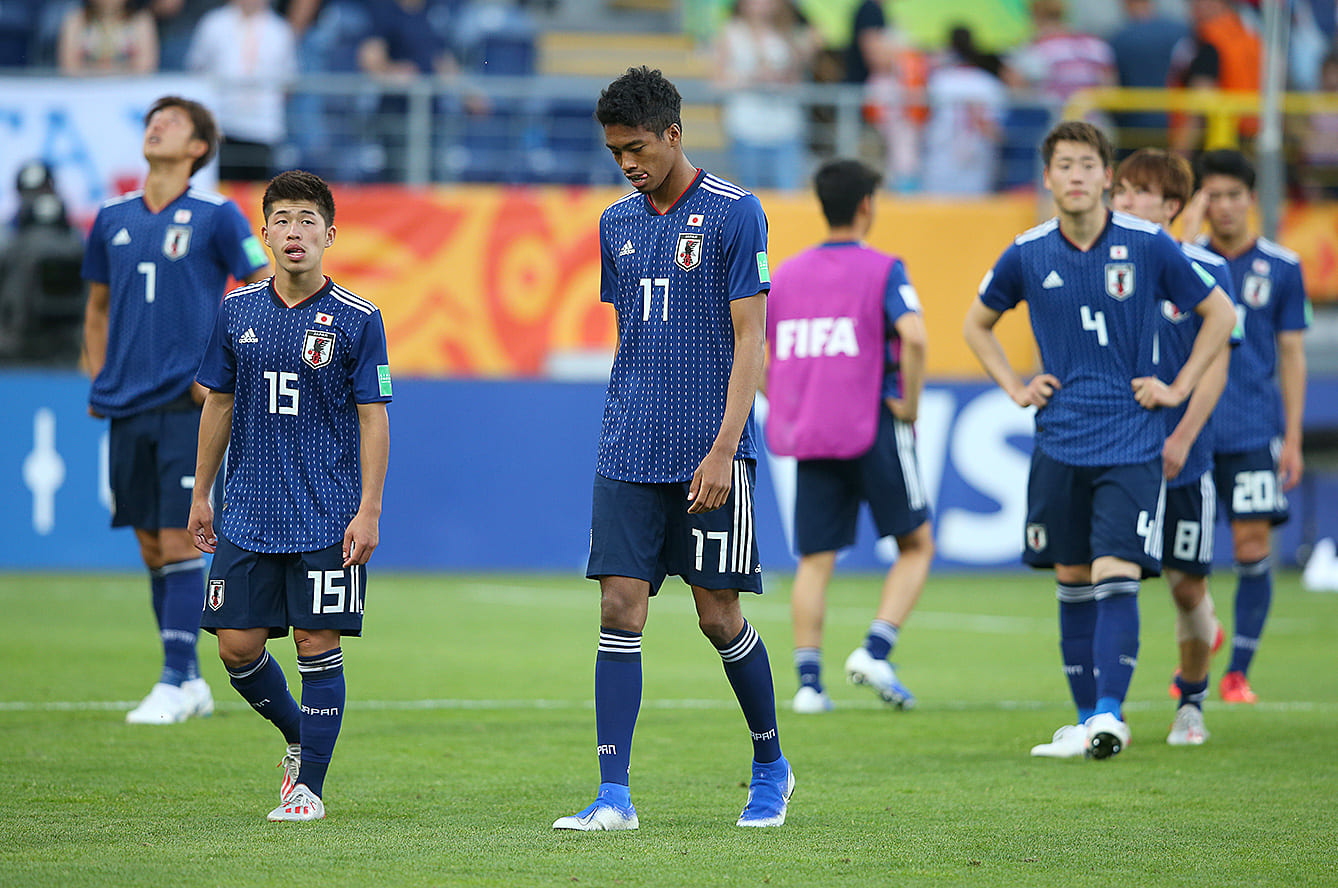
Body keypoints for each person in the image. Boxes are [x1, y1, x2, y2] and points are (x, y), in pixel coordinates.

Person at [553, 66, 792, 831]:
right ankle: (613, 796)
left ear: (673, 134)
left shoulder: (734, 212)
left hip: (709, 454)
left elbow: (751, 337)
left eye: (637, 147)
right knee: (619, 607)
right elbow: (634, 336)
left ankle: (770, 765)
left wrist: (725, 449)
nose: (627, 162)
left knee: (717, 616)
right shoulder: (615, 225)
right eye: (615, 150)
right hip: (627, 448)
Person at [962, 120, 1235, 760]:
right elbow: (977, 325)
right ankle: (1087, 721)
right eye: (1065, 166)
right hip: (1058, 439)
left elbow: (1220, 313)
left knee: (1118, 573)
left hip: (1133, 441)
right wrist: (1014, 385)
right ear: (1049, 177)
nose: (1077, 176)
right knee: (1072, 577)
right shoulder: (1027, 251)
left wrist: (1176, 387)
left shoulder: (1148, 244)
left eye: (1088, 165)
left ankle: (1111, 715)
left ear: (1106, 177)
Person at [188, 169, 392, 822]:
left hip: (327, 517)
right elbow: (217, 403)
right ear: (265, 234)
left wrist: (368, 509)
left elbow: (373, 417)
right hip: (247, 512)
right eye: (282, 219)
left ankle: (311, 788)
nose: (294, 231)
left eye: (308, 220)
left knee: (316, 643)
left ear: (331, 235)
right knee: (236, 648)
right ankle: (303, 738)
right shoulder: (236, 311)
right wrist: (201, 495)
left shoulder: (359, 320)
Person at [81, 95, 271, 726]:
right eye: (151, 120)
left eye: (172, 121)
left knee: (177, 535)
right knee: (148, 544)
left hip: (187, 403)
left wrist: (228, 370)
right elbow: (99, 307)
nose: (155, 126)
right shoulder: (110, 217)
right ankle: (188, 679)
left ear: (197, 147)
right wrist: (98, 375)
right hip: (126, 404)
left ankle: (172, 677)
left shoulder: (218, 214)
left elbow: (258, 286)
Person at [764, 157, 932, 715]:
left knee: (815, 559)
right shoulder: (884, 269)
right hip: (874, 423)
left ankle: (809, 685)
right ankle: (876, 650)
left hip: (813, 431)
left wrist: (783, 401)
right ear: (867, 205)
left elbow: (757, 354)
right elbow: (914, 336)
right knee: (916, 544)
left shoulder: (786, 275)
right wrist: (908, 403)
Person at [1109, 148, 1237, 746]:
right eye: (1122, 192)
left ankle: (1191, 702)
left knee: (1187, 586)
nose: (1126, 203)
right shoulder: (1101, 265)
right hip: (1117, 453)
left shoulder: (1204, 269)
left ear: (1173, 206)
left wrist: (1183, 435)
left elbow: (1214, 366)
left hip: (1184, 459)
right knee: (1113, 578)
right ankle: (1108, 706)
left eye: (1141, 194)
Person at [1181, 148, 1311, 704]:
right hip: (1190, 426)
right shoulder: (1178, 261)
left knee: (1252, 543)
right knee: (1182, 559)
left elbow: (1292, 355)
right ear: (1200, 201)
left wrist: (1294, 437)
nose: (1226, 207)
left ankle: (1237, 672)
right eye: (1214, 196)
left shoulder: (1282, 267)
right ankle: (1202, 631)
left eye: (1235, 195)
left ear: (1252, 199)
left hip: (1253, 428)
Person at [185, 0, 297, 181]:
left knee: (257, 195)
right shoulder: (213, 24)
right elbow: (197, 70)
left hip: (262, 128)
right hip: (221, 125)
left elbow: (288, 81)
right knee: (220, 189)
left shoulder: (280, 30)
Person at [712, 0, 816, 192]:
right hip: (746, 128)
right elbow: (719, 81)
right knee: (751, 199)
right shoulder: (731, 32)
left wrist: (783, 76)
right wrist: (753, 77)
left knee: (788, 197)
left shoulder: (787, 32)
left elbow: (797, 80)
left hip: (785, 127)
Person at [920, 25, 1008, 197]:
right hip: (978, 158)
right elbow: (996, 129)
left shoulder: (938, 80)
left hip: (942, 157)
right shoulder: (989, 84)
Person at [57, 0, 159, 75]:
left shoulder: (140, 20)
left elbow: (146, 66)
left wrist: (100, 69)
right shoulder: (76, 19)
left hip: (129, 89)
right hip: (84, 89)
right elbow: (68, 66)